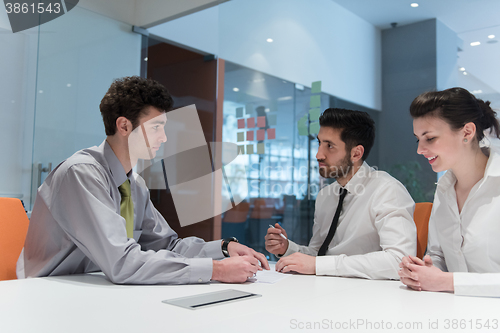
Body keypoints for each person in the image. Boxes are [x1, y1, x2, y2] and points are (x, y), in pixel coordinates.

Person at [17, 76, 269, 284]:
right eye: (156, 127)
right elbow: (122, 263)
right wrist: (217, 270)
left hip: (97, 287)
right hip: (47, 292)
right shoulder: (82, 173)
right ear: (124, 126)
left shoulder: (134, 184)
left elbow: (168, 244)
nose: (164, 138)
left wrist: (223, 249)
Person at [265, 108, 416, 280]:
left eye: (329, 146)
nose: (318, 155)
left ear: (356, 153)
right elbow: (319, 254)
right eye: (319, 143)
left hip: (370, 297)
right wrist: (287, 248)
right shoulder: (325, 196)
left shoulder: (387, 190)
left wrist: (319, 265)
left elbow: (399, 261)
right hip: (328, 291)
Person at [399, 87, 500, 297]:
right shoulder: (444, 189)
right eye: (418, 139)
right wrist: (424, 270)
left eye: (430, 138)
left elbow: (448, 280)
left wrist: (448, 282)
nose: (419, 149)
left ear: (467, 132)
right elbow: (438, 254)